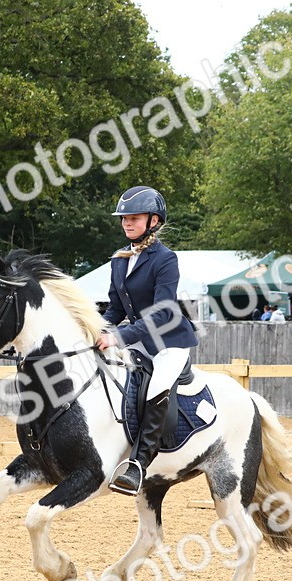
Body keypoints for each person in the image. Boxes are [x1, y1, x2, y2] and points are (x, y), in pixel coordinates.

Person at [96, 186, 198, 495]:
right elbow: (115, 308)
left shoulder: (165, 259)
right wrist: (98, 329)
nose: (127, 223)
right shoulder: (119, 259)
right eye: (124, 218)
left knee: (156, 388)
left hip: (169, 343)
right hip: (138, 340)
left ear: (153, 221)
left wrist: (119, 336)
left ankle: (137, 465)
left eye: (135, 218)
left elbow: (162, 312)